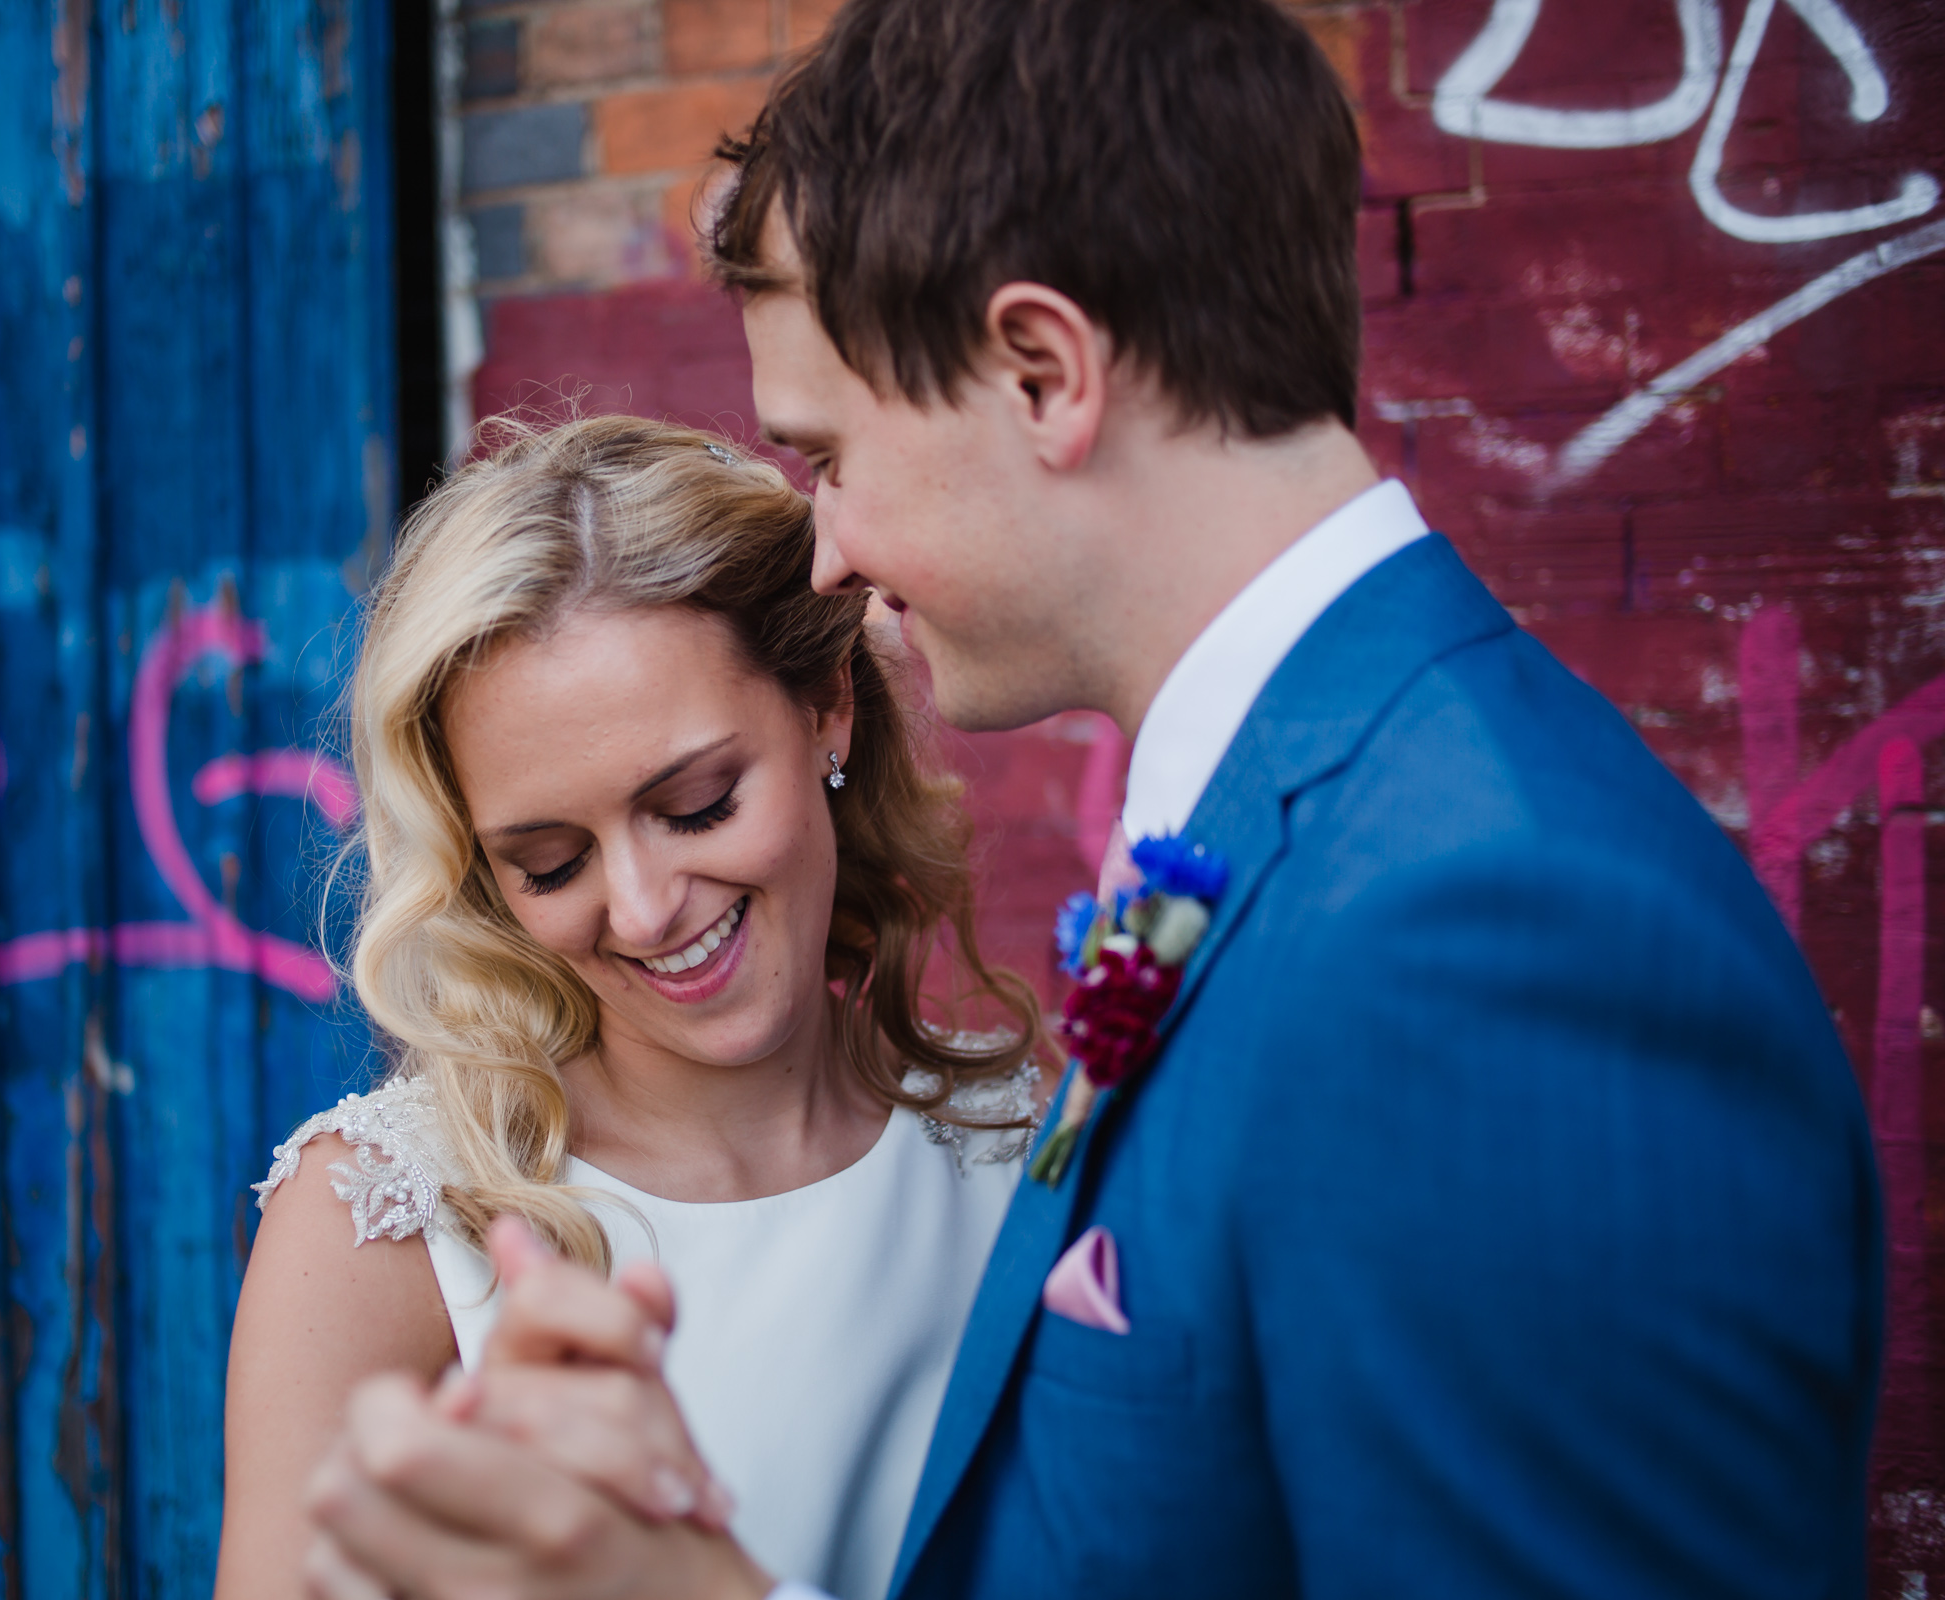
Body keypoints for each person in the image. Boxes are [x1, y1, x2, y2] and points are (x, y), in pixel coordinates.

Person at [299, 0, 1885, 1596]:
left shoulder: (1484, 938)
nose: (828, 548)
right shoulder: (1301, 839)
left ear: (1045, 372)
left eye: (829, 451)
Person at [213, 414, 1049, 1600]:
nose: (647, 907)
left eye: (698, 803)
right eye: (551, 863)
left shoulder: (1020, 1160)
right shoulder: (386, 1230)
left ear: (826, 707)